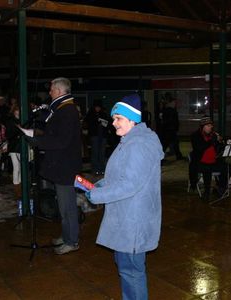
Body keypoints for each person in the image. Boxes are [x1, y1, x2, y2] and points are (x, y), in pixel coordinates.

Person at [85, 94, 164, 299]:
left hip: (133, 223)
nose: (113, 123)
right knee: (127, 270)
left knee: (131, 272)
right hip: (128, 219)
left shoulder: (138, 145)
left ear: (132, 119)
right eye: (113, 118)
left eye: (118, 118)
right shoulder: (130, 140)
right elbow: (122, 175)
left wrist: (98, 195)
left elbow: (130, 184)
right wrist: (100, 185)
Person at [19, 77, 82, 255]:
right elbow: (55, 133)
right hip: (61, 165)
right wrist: (39, 132)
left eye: (52, 90)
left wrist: (38, 141)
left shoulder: (67, 110)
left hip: (65, 166)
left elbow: (62, 140)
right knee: (63, 205)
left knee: (67, 206)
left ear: (60, 91)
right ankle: (67, 235)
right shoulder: (61, 109)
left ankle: (72, 240)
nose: (49, 92)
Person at [189, 116, 231, 201]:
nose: (211, 127)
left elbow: (218, 150)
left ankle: (220, 187)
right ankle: (206, 192)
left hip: (213, 161)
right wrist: (212, 141)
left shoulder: (213, 135)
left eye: (211, 125)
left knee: (229, 167)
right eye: (209, 125)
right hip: (200, 162)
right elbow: (200, 148)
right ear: (203, 126)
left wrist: (222, 143)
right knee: (207, 169)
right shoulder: (195, 136)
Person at [84, 99, 110, 175]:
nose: (97, 108)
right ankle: (95, 169)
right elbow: (88, 123)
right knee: (95, 153)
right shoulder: (90, 114)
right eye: (96, 107)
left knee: (102, 153)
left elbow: (107, 124)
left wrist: (102, 122)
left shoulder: (103, 114)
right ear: (94, 107)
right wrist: (96, 121)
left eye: (99, 107)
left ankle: (102, 169)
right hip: (94, 136)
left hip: (103, 136)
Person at [6, 104, 22, 198]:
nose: (18, 112)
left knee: (21, 167)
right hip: (13, 147)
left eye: (19, 110)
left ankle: (20, 186)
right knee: (16, 167)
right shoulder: (11, 121)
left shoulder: (23, 119)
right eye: (16, 110)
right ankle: (17, 188)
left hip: (21, 147)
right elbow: (9, 134)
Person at [161, 93, 184, 160]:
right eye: (174, 103)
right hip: (170, 130)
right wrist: (175, 127)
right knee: (167, 144)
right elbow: (172, 121)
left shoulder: (166, 110)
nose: (175, 104)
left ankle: (178, 156)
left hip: (169, 130)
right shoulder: (171, 111)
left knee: (174, 143)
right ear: (171, 103)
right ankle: (178, 156)